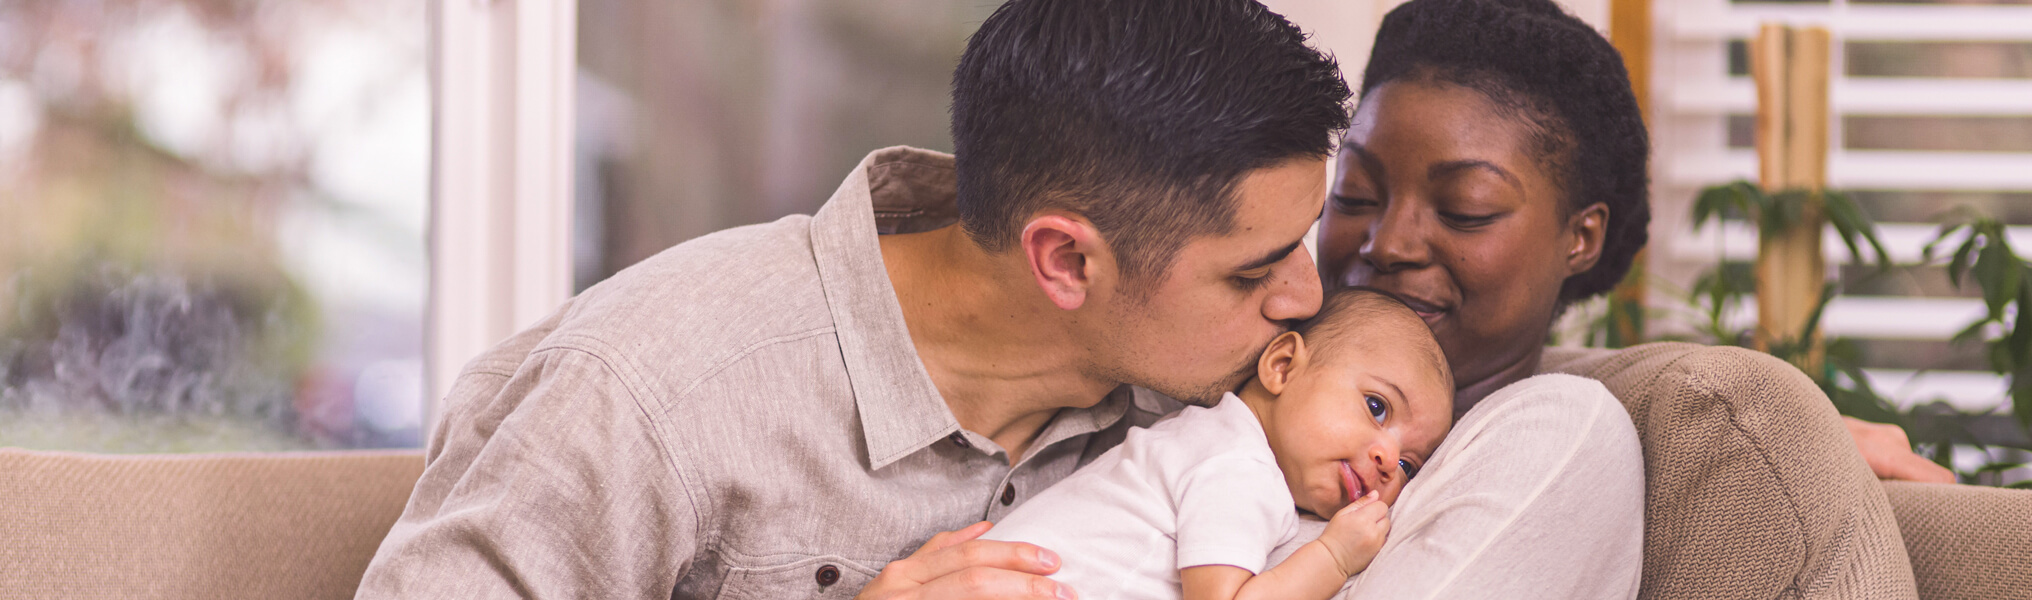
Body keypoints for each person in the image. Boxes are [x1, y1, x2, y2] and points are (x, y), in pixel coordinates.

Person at [353, 1, 1349, 598]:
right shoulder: (651, 389)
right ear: (1065, 262)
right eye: (1251, 270)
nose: (1303, 296)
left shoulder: (1207, 402)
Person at [1308, 0, 1945, 597]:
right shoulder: (1254, 366)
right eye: (1356, 194)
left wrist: (1790, 439)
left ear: (1580, 237)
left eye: (1464, 209)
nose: (1387, 242)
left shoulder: (1551, 440)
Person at [983, 289, 1459, 600]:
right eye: (1377, 407)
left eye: (1410, 466)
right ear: (1284, 366)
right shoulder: (1237, 464)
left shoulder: (1208, 436)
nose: (1388, 460)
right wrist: (1334, 557)